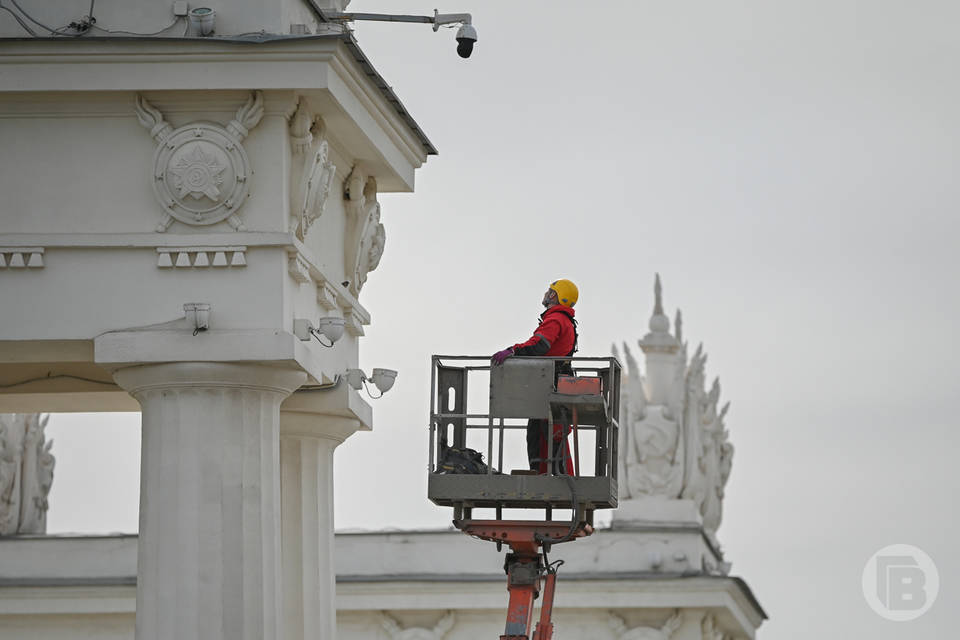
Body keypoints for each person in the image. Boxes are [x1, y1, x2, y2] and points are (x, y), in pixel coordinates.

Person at [491, 279, 579, 474]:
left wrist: (513, 350)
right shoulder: (564, 320)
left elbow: (539, 345)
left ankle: (544, 473)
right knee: (545, 431)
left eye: (550, 290)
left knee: (541, 432)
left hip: (549, 384)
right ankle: (551, 472)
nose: (547, 293)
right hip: (553, 383)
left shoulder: (555, 319)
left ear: (554, 296)